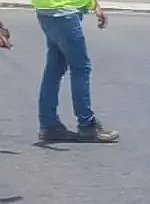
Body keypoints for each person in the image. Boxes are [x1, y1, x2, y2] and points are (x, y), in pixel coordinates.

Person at [33, 0, 119, 143]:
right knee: (80, 67)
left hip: (45, 9)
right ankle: (86, 124)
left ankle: (48, 124)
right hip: (65, 11)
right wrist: (93, 4)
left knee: (54, 68)